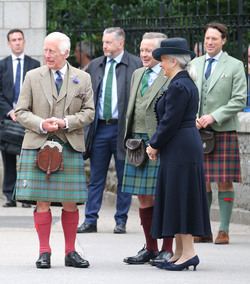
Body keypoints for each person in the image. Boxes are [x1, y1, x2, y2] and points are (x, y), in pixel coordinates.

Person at [13, 32, 95, 268]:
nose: (47, 55)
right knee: (43, 201)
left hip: (69, 144)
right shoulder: (32, 76)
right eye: (45, 50)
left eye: (52, 51)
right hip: (38, 144)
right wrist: (41, 123)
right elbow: (21, 111)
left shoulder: (83, 78)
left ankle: (70, 252)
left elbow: (89, 112)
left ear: (65, 53)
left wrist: (65, 122)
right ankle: (44, 252)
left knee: (70, 202)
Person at [146, 37, 211, 271]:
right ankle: (181, 252)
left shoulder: (179, 85)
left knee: (181, 196)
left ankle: (189, 253)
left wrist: (154, 144)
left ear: (173, 61)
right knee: (177, 195)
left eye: (162, 60)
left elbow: (169, 122)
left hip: (180, 147)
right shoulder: (181, 83)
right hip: (181, 146)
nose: (160, 64)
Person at [77, 27, 142, 234]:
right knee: (96, 177)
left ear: (120, 44)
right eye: (104, 42)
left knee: (124, 176)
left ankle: (121, 220)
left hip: (123, 130)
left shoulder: (136, 64)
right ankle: (90, 220)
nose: (105, 46)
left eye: (109, 43)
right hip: (100, 129)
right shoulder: (95, 65)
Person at [192, 22, 247, 245]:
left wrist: (213, 116)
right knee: (202, 181)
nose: (210, 42)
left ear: (223, 40)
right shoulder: (194, 64)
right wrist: (192, 118)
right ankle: (204, 229)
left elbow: (239, 99)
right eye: (207, 38)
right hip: (197, 130)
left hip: (222, 129)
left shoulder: (234, 65)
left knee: (224, 181)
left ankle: (223, 230)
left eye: (214, 38)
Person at [122, 32, 173, 266]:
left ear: (161, 53)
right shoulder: (137, 74)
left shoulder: (170, 75)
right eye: (141, 49)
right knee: (142, 196)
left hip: (160, 142)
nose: (143, 54)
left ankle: (167, 248)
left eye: (149, 50)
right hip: (136, 143)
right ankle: (150, 247)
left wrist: (159, 142)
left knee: (165, 196)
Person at [0, 29, 40, 208]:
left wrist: (25, 113)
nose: (17, 42)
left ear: (24, 42)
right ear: (8, 44)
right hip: (8, 119)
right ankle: (10, 196)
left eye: (19, 39)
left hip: (29, 119)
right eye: (13, 40)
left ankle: (26, 196)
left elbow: (38, 92)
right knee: (8, 159)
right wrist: (10, 111)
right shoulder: (2, 65)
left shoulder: (35, 64)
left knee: (28, 159)